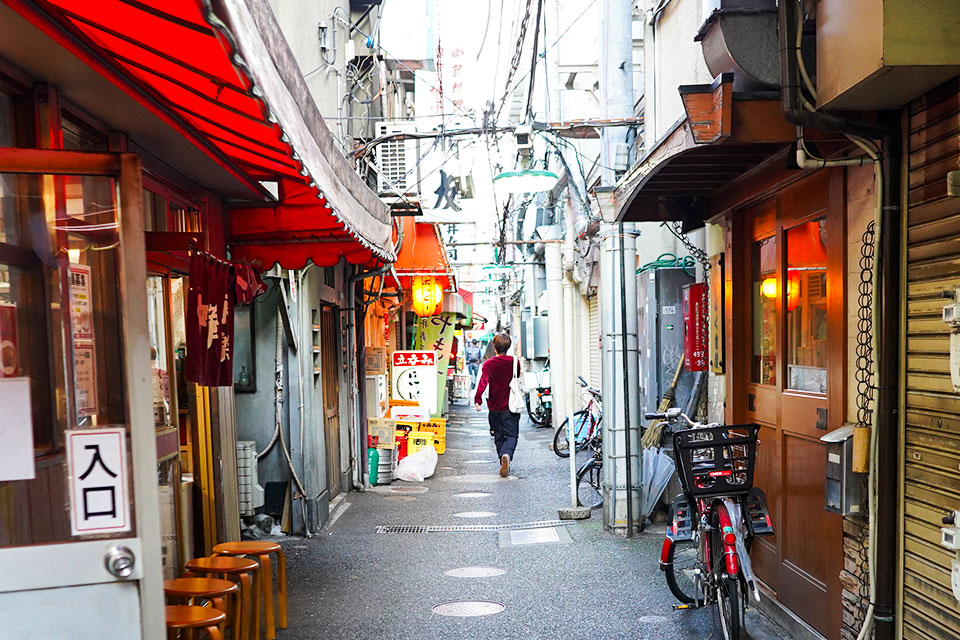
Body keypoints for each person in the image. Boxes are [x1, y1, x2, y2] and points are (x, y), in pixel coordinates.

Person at [474, 332, 520, 477]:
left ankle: (502, 458)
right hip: (511, 405)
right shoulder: (514, 361)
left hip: (494, 406)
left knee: (498, 435)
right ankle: (507, 455)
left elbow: (483, 382)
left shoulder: (488, 364)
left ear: (494, 347)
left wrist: (478, 399)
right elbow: (517, 376)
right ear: (509, 346)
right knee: (511, 435)